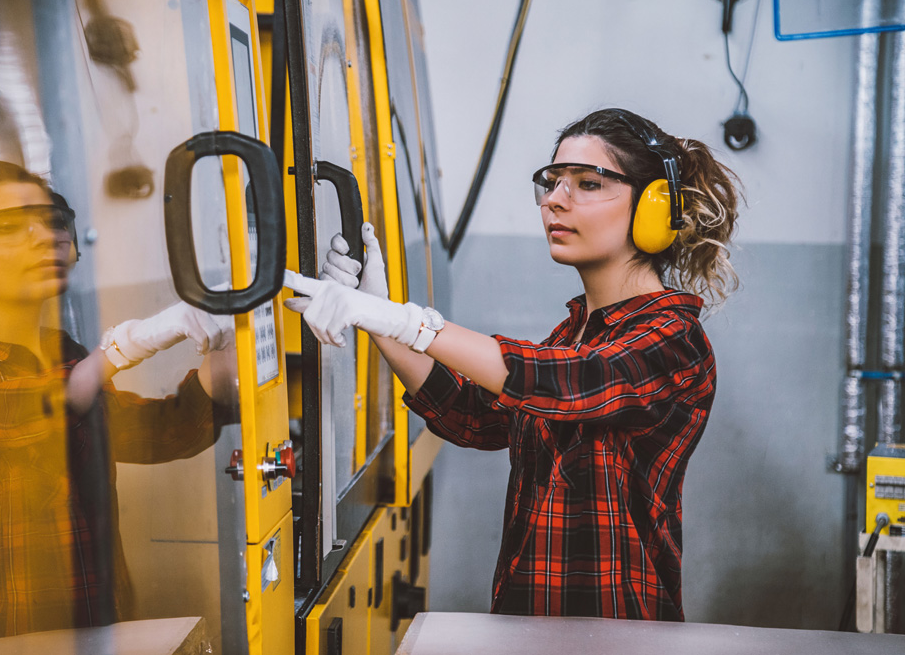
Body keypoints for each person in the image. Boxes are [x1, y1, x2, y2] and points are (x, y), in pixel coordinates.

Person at [284, 108, 740, 620]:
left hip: (619, 633)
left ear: (655, 210)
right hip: (528, 623)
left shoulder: (673, 339)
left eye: (588, 184)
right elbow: (474, 416)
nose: (554, 200)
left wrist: (404, 320)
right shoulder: (573, 334)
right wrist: (380, 321)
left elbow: (565, 385)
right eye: (551, 182)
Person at [0, 160, 238, 641]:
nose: (42, 236)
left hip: (101, 625)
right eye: (6, 225)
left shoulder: (65, 356)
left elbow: (158, 433)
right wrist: (130, 343)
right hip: (19, 636)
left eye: (50, 219)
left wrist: (240, 334)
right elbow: (32, 414)